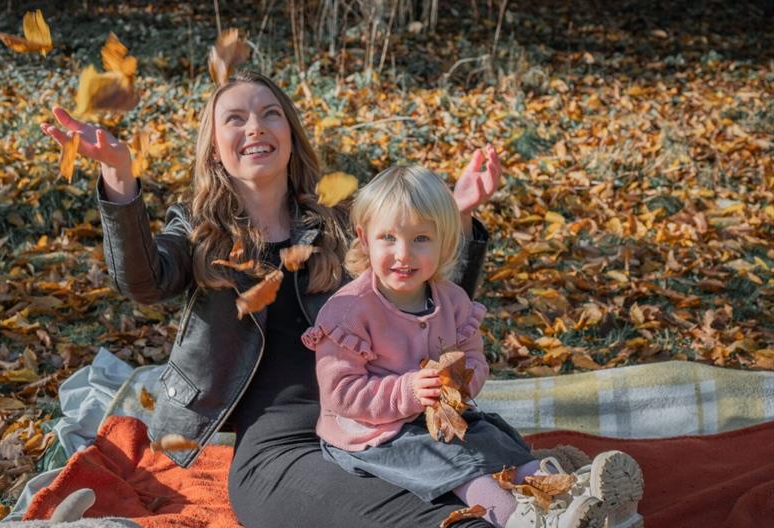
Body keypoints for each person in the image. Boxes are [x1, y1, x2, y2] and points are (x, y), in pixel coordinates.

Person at [41, 69, 505, 527]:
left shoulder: (342, 225)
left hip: (384, 426)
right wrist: (119, 177)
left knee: (501, 480)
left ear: (290, 134)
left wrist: (457, 218)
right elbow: (143, 282)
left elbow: (435, 313)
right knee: (437, 518)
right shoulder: (199, 232)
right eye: (236, 118)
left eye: (270, 114)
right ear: (215, 148)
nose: (255, 127)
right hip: (281, 448)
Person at [301, 165, 611, 528]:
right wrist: (408, 390)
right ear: (364, 238)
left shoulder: (452, 301)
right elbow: (340, 394)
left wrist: (462, 382)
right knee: (461, 466)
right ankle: (523, 519)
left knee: (498, 442)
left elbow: (474, 357)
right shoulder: (349, 311)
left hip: (440, 419)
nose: (403, 254)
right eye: (388, 237)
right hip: (373, 433)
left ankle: (574, 499)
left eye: (420, 239)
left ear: (444, 241)